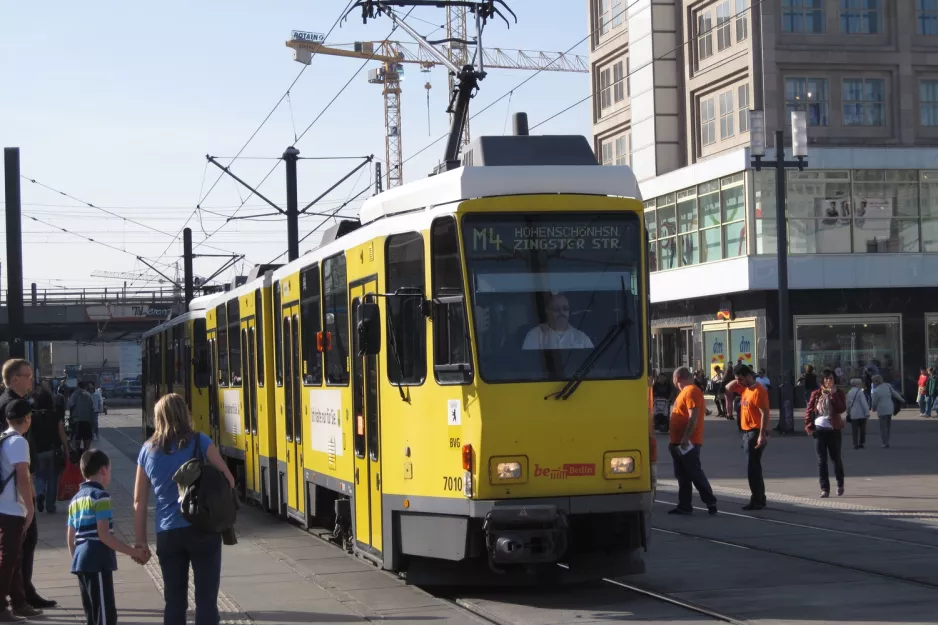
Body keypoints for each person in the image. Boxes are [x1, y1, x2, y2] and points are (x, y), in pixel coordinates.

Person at [134, 394, 235, 625]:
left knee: (175, 603)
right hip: (203, 529)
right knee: (207, 601)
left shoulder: (147, 451)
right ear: (184, 413)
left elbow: (139, 502)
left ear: (158, 418)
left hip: (168, 532)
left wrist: (140, 542)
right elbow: (228, 479)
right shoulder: (200, 442)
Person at [67, 449, 149, 625]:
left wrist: (77, 559)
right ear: (104, 470)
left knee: (92, 613)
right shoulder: (100, 496)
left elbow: (70, 537)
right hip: (97, 559)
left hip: (81, 561)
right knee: (105, 614)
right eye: (110, 470)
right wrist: (133, 551)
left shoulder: (75, 499)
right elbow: (104, 535)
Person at [0, 400, 41, 622]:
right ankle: (1, 606)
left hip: (2, 506)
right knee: (9, 557)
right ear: (26, 419)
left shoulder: (3, 439)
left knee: (15, 557)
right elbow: (23, 478)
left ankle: (19, 602)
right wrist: (31, 507)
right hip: (11, 509)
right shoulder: (18, 442)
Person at [667, 367, 717, 516]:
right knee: (682, 476)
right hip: (678, 442)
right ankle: (684, 505)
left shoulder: (691, 391)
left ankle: (710, 501)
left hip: (688, 443)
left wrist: (685, 438)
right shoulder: (684, 392)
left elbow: (693, 417)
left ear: (677, 379)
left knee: (694, 473)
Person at [725, 364, 770, 510]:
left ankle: (757, 499)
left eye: (741, 379)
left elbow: (765, 413)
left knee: (753, 468)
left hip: (754, 432)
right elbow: (728, 387)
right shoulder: (745, 388)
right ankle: (759, 498)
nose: (738, 383)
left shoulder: (759, 391)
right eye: (737, 379)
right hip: (746, 433)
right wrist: (737, 378)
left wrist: (762, 434)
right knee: (753, 467)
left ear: (749, 376)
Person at [804, 369, 847, 498]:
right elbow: (809, 410)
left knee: (836, 459)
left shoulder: (839, 393)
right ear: (822, 380)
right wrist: (808, 426)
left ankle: (840, 483)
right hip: (819, 430)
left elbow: (841, 409)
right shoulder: (816, 394)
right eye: (826, 378)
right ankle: (824, 489)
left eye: (831, 378)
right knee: (821, 461)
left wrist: (833, 395)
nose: (829, 381)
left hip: (833, 430)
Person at [30, 381, 68, 513]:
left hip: (38, 451)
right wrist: (67, 450)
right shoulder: (56, 415)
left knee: (40, 475)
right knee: (53, 477)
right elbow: (62, 434)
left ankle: (39, 493)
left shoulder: (32, 417)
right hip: (53, 450)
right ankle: (50, 505)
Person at [521, 293, 593, 350]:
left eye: (565, 308)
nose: (561, 312)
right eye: (556, 309)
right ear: (547, 311)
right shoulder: (534, 336)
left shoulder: (582, 339)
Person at [870, 374, 904, 448]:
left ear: (876, 381)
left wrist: (873, 408)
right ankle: (887, 440)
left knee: (883, 427)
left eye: (873, 381)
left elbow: (874, 402)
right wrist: (902, 400)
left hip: (882, 410)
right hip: (889, 408)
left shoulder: (876, 391)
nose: (873, 383)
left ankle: (884, 442)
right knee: (888, 426)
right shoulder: (888, 385)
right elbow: (895, 394)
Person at [67, 382, 95, 457]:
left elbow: (69, 405)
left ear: (78, 386)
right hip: (87, 422)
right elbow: (92, 409)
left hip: (77, 422)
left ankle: (77, 457)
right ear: (85, 387)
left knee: (77, 441)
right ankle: (86, 456)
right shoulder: (89, 395)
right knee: (87, 442)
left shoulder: (75, 394)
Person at [845, 378, 870, 450]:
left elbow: (848, 404)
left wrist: (848, 411)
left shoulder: (849, 392)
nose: (861, 384)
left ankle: (855, 443)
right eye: (860, 383)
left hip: (853, 413)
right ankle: (861, 443)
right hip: (861, 413)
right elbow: (864, 402)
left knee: (854, 430)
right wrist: (867, 412)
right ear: (857, 384)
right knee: (862, 429)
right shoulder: (860, 392)